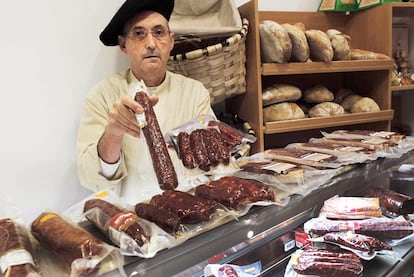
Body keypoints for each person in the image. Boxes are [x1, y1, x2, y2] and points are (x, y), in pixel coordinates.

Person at [77, 0, 215, 205]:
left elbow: (213, 162)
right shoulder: (102, 95)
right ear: (123, 44)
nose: (151, 43)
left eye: (158, 32)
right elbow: (88, 177)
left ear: (171, 41)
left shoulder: (194, 93)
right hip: (131, 216)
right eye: (139, 34)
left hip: (191, 207)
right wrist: (113, 133)